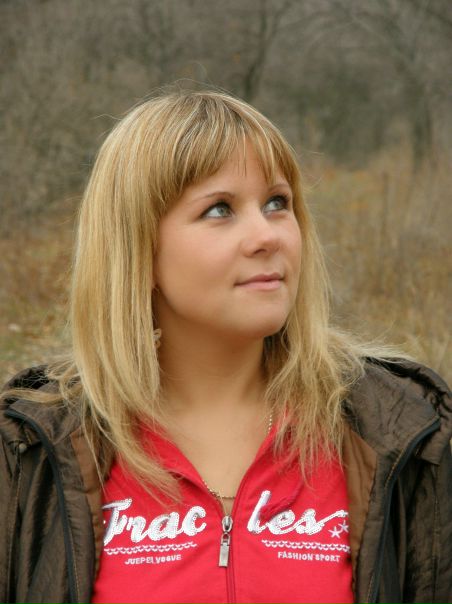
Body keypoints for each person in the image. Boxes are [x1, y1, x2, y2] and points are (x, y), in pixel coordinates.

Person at [1, 89, 451, 604]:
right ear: (137, 248)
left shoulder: (400, 431)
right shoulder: (34, 452)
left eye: (277, 203)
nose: (267, 236)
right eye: (219, 209)